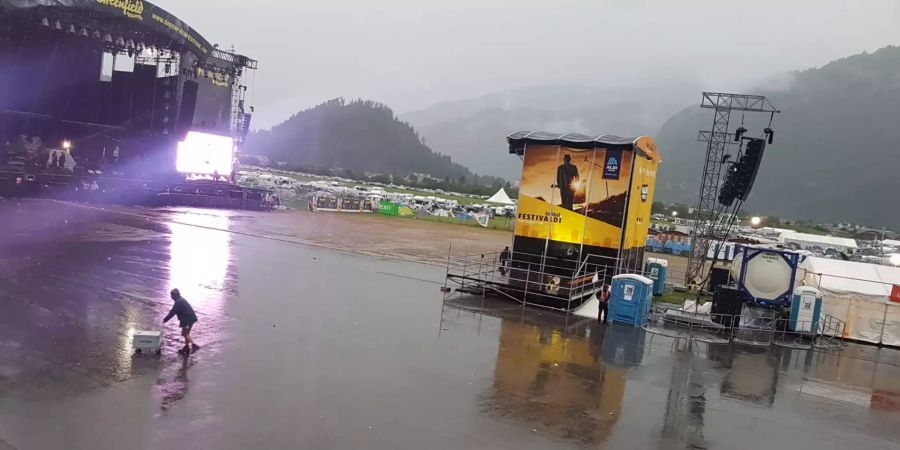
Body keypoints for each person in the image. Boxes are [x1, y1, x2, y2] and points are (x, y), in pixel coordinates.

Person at [163, 288, 200, 354]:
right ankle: (186, 347)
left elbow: (172, 312)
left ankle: (194, 345)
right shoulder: (180, 300)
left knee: (184, 333)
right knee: (186, 333)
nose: (171, 297)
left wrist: (165, 320)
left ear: (175, 295)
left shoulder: (178, 302)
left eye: (171, 295)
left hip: (187, 319)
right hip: (189, 318)